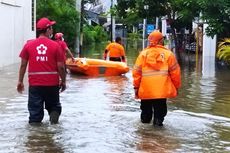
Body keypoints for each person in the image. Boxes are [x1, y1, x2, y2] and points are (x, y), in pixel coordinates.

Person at [17, 17, 66, 124]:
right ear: (47, 29)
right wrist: (64, 81)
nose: (52, 30)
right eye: (51, 27)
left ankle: (36, 137)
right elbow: (61, 67)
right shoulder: (56, 46)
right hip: (52, 84)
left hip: (35, 85)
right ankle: (53, 128)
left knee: (35, 114)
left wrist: (20, 81)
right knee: (54, 107)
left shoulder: (28, 45)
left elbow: (23, 65)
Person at [132, 30, 181, 126]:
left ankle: (144, 137)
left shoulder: (143, 54)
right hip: (161, 92)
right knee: (159, 116)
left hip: (146, 91)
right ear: (161, 41)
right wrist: (176, 87)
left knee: (145, 117)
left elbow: (136, 73)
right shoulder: (169, 55)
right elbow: (175, 73)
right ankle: (158, 136)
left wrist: (136, 87)